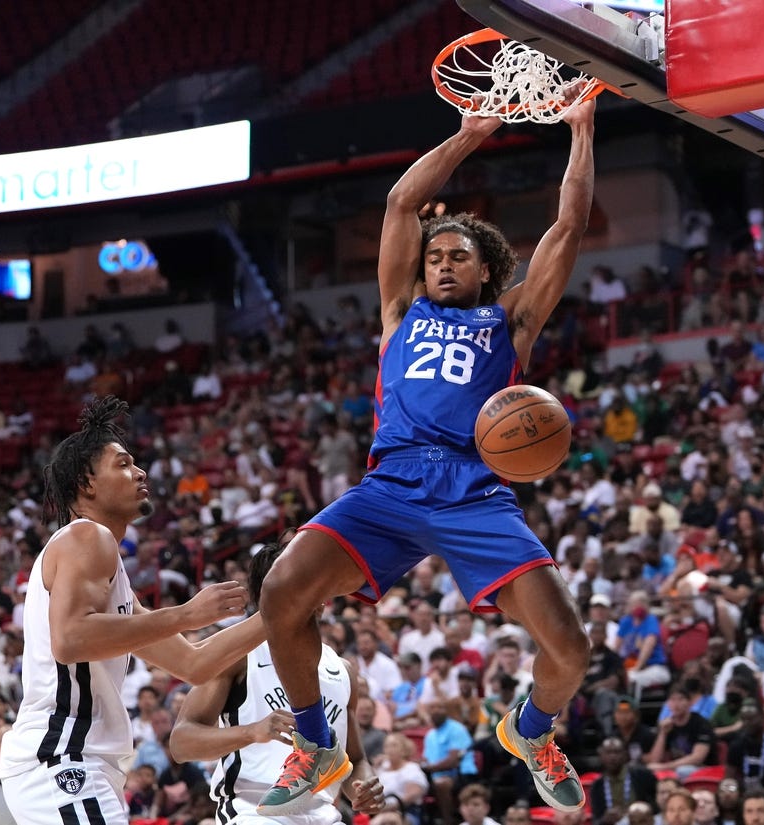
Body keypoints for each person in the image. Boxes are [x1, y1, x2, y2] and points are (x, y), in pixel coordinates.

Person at [255, 89, 597, 815]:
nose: (441, 264)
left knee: (569, 646)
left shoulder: (512, 319)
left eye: (458, 256)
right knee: (284, 588)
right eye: (436, 256)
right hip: (394, 483)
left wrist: (581, 128)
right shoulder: (397, 312)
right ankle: (317, 741)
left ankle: (531, 731)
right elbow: (401, 206)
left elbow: (568, 225)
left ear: (484, 271)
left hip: (476, 489)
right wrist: (469, 136)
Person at [0, 397, 265, 825]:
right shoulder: (86, 537)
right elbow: (70, 641)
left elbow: (195, 665)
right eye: (122, 465)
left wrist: (279, 615)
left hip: (78, 764)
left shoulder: (109, 570)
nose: (140, 472)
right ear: (86, 484)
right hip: (63, 757)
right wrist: (187, 614)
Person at [168, 543, 384, 825]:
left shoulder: (343, 670)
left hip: (324, 815)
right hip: (252, 811)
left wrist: (363, 786)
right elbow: (181, 743)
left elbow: (354, 759)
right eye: (301, 581)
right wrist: (251, 732)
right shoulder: (240, 657)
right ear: (268, 595)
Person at [589, 737, 657, 825]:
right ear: (601, 756)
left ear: (625, 755)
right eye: (608, 752)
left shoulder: (642, 775)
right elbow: (595, 821)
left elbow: (656, 808)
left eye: (616, 752)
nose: (612, 757)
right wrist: (605, 819)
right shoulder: (597, 786)